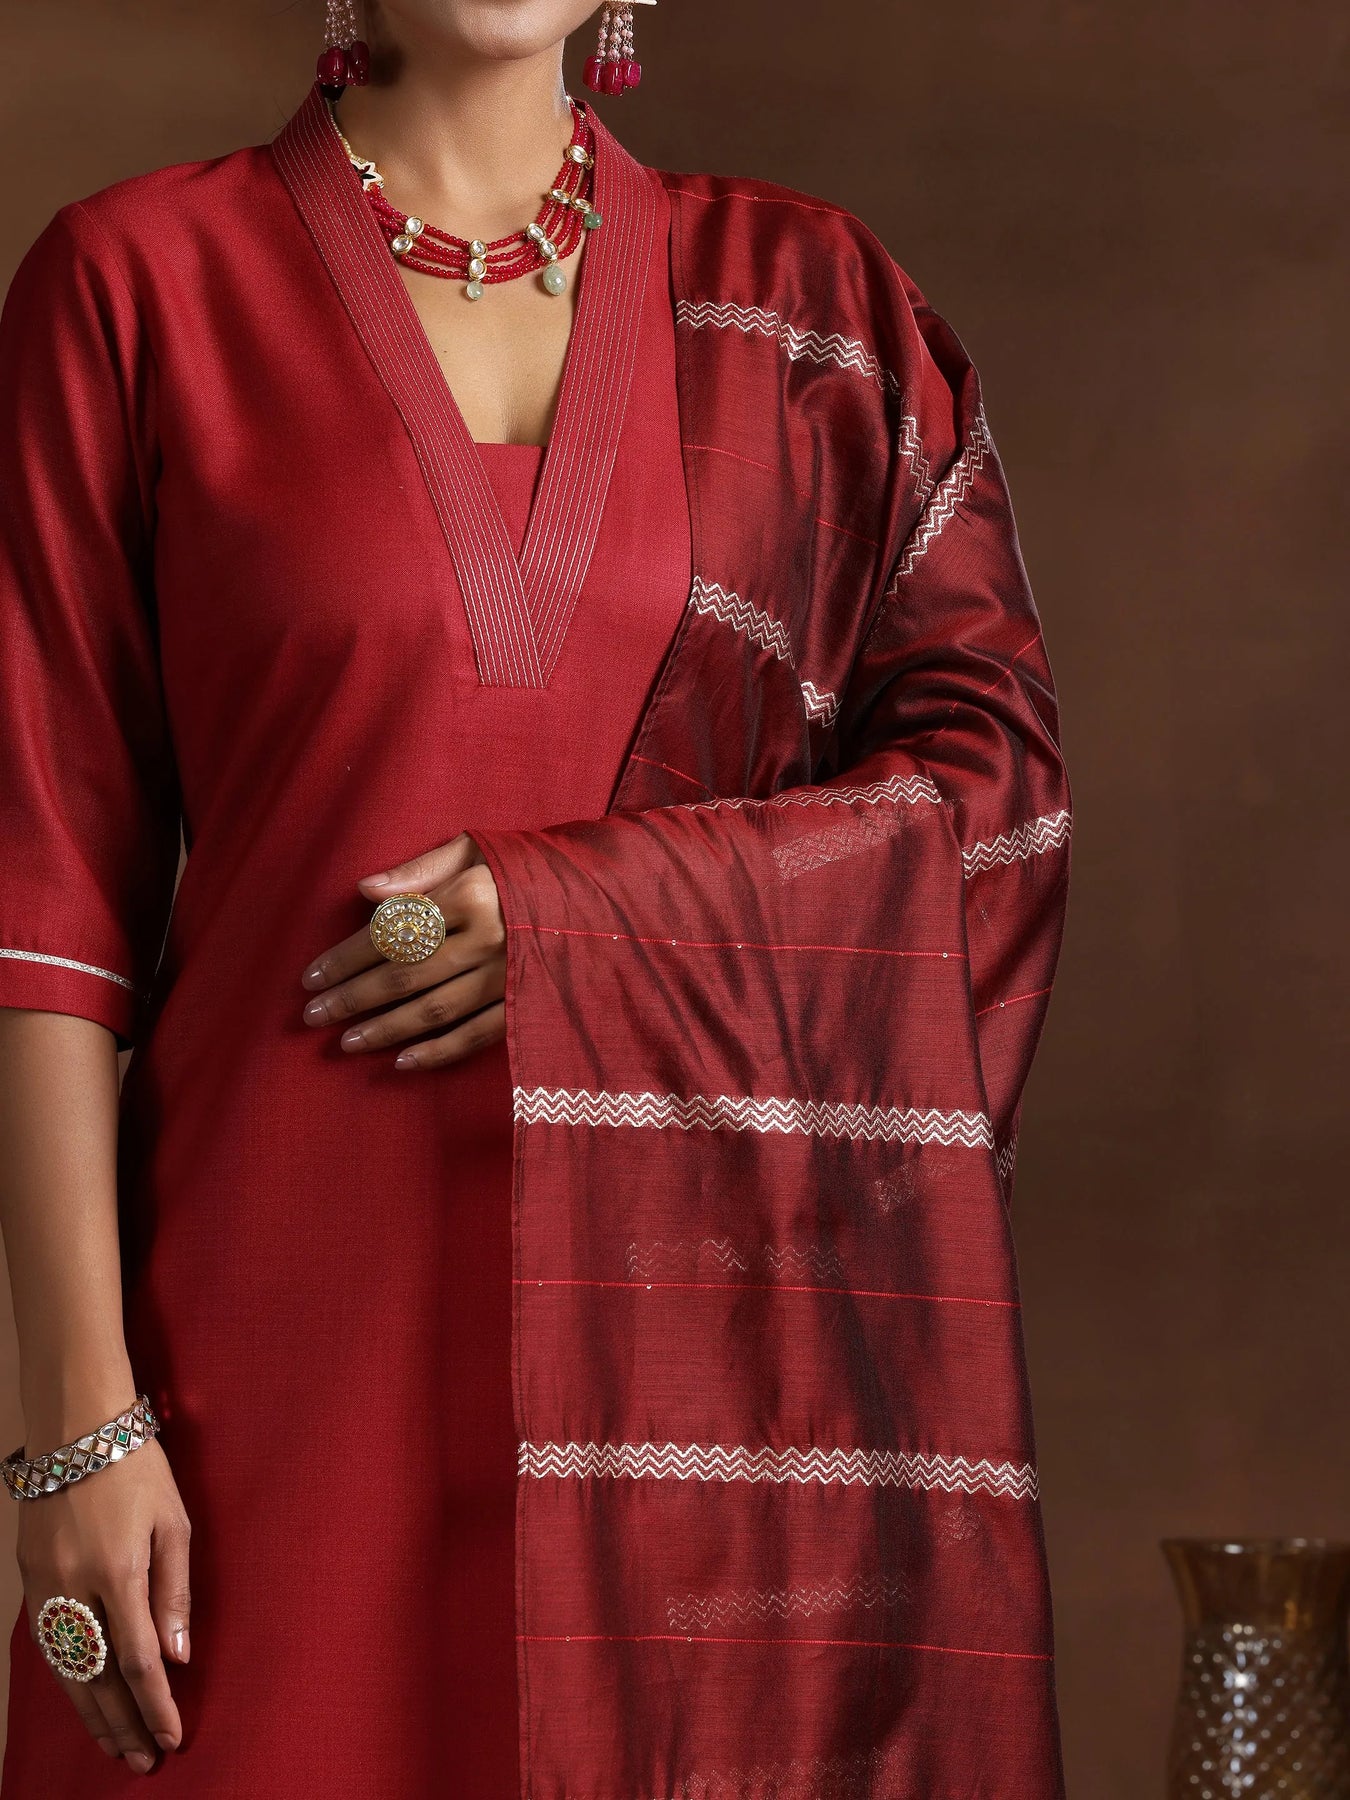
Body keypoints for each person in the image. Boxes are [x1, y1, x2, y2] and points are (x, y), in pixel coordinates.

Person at [0, 1, 1074, 1793]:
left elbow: (991, 808)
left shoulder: (808, 308)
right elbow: (43, 904)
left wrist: (600, 921)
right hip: (255, 1359)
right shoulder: (137, 282)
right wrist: (75, 1425)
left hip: (697, 1387)